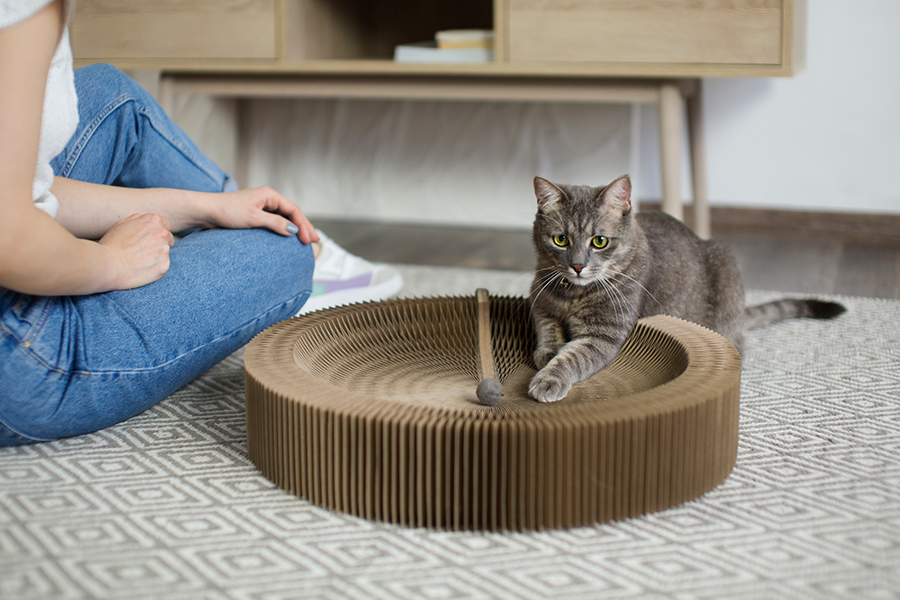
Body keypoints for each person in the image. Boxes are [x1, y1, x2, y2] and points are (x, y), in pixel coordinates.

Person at [0, 0, 402, 446]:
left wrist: (204, 207)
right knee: (284, 249)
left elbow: (24, 189)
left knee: (114, 98)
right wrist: (113, 261)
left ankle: (290, 249)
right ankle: (304, 263)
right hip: (16, 351)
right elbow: (10, 235)